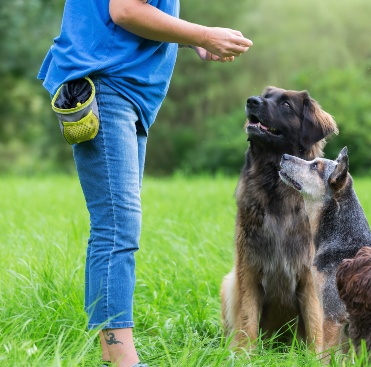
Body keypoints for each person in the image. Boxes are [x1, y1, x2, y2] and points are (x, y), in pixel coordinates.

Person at [38, 1, 252, 366]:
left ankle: (114, 352)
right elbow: (125, 10)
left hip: (127, 94)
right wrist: (203, 33)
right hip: (107, 86)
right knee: (118, 226)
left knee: (115, 225)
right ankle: (122, 358)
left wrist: (189, 41)